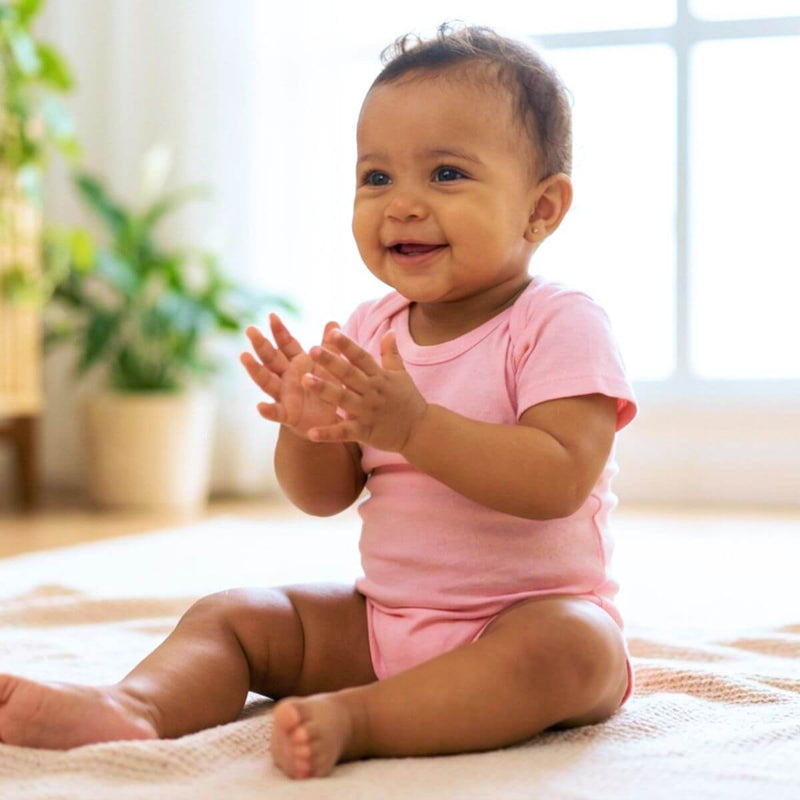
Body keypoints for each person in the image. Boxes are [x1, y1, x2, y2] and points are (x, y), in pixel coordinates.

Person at [0, 22, 638, 780]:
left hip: (525, 620)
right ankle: (136, 706)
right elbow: (324, 497)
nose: (402, 205)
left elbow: (558, 478)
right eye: (377, 177)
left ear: (542, 208)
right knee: (236, 615)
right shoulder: (370, 330)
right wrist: (308, 432)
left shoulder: (559, 322)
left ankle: (362, 719)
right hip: (383, 622)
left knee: (577, 649)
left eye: (445, 174)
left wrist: (416, 426)